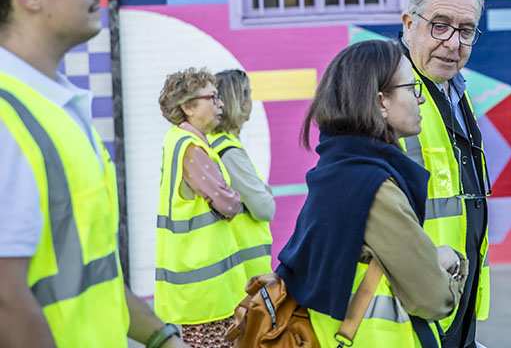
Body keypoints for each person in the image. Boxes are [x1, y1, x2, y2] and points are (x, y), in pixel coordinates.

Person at [0, 0, 187, 348]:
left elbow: (92, 272)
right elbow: (6, 301)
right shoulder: (8, 117)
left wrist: (161, 337)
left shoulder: (60, 106)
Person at [276, 40, 468, 347]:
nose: (420, 100)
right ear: (381, 102)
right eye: (411, 88)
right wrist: (449, 260)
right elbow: (434, 299)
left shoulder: (336, 170)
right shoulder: (374, 187)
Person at [398, 0, 490, 348]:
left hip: (456, 295)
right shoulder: (386, 94)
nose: (453, 43)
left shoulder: (454, 90)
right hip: (414, 303)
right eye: (440, 24)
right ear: (409, 23)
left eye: (466, 29)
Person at [156, 67, 265, 347]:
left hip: (199, 289)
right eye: (212, 98)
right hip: (206, 292)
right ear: (188, 107)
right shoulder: (192, 148)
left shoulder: (179, 141)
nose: (220, 104)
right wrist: (244, 197)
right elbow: (227, 202)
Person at [208, 68, 275, 280]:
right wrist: (263, 193)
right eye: (248, 94)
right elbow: (265, 208)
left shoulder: (212, 143)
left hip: (234, 270)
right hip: (247, 275)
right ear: (242, 103)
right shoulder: (230, 152)